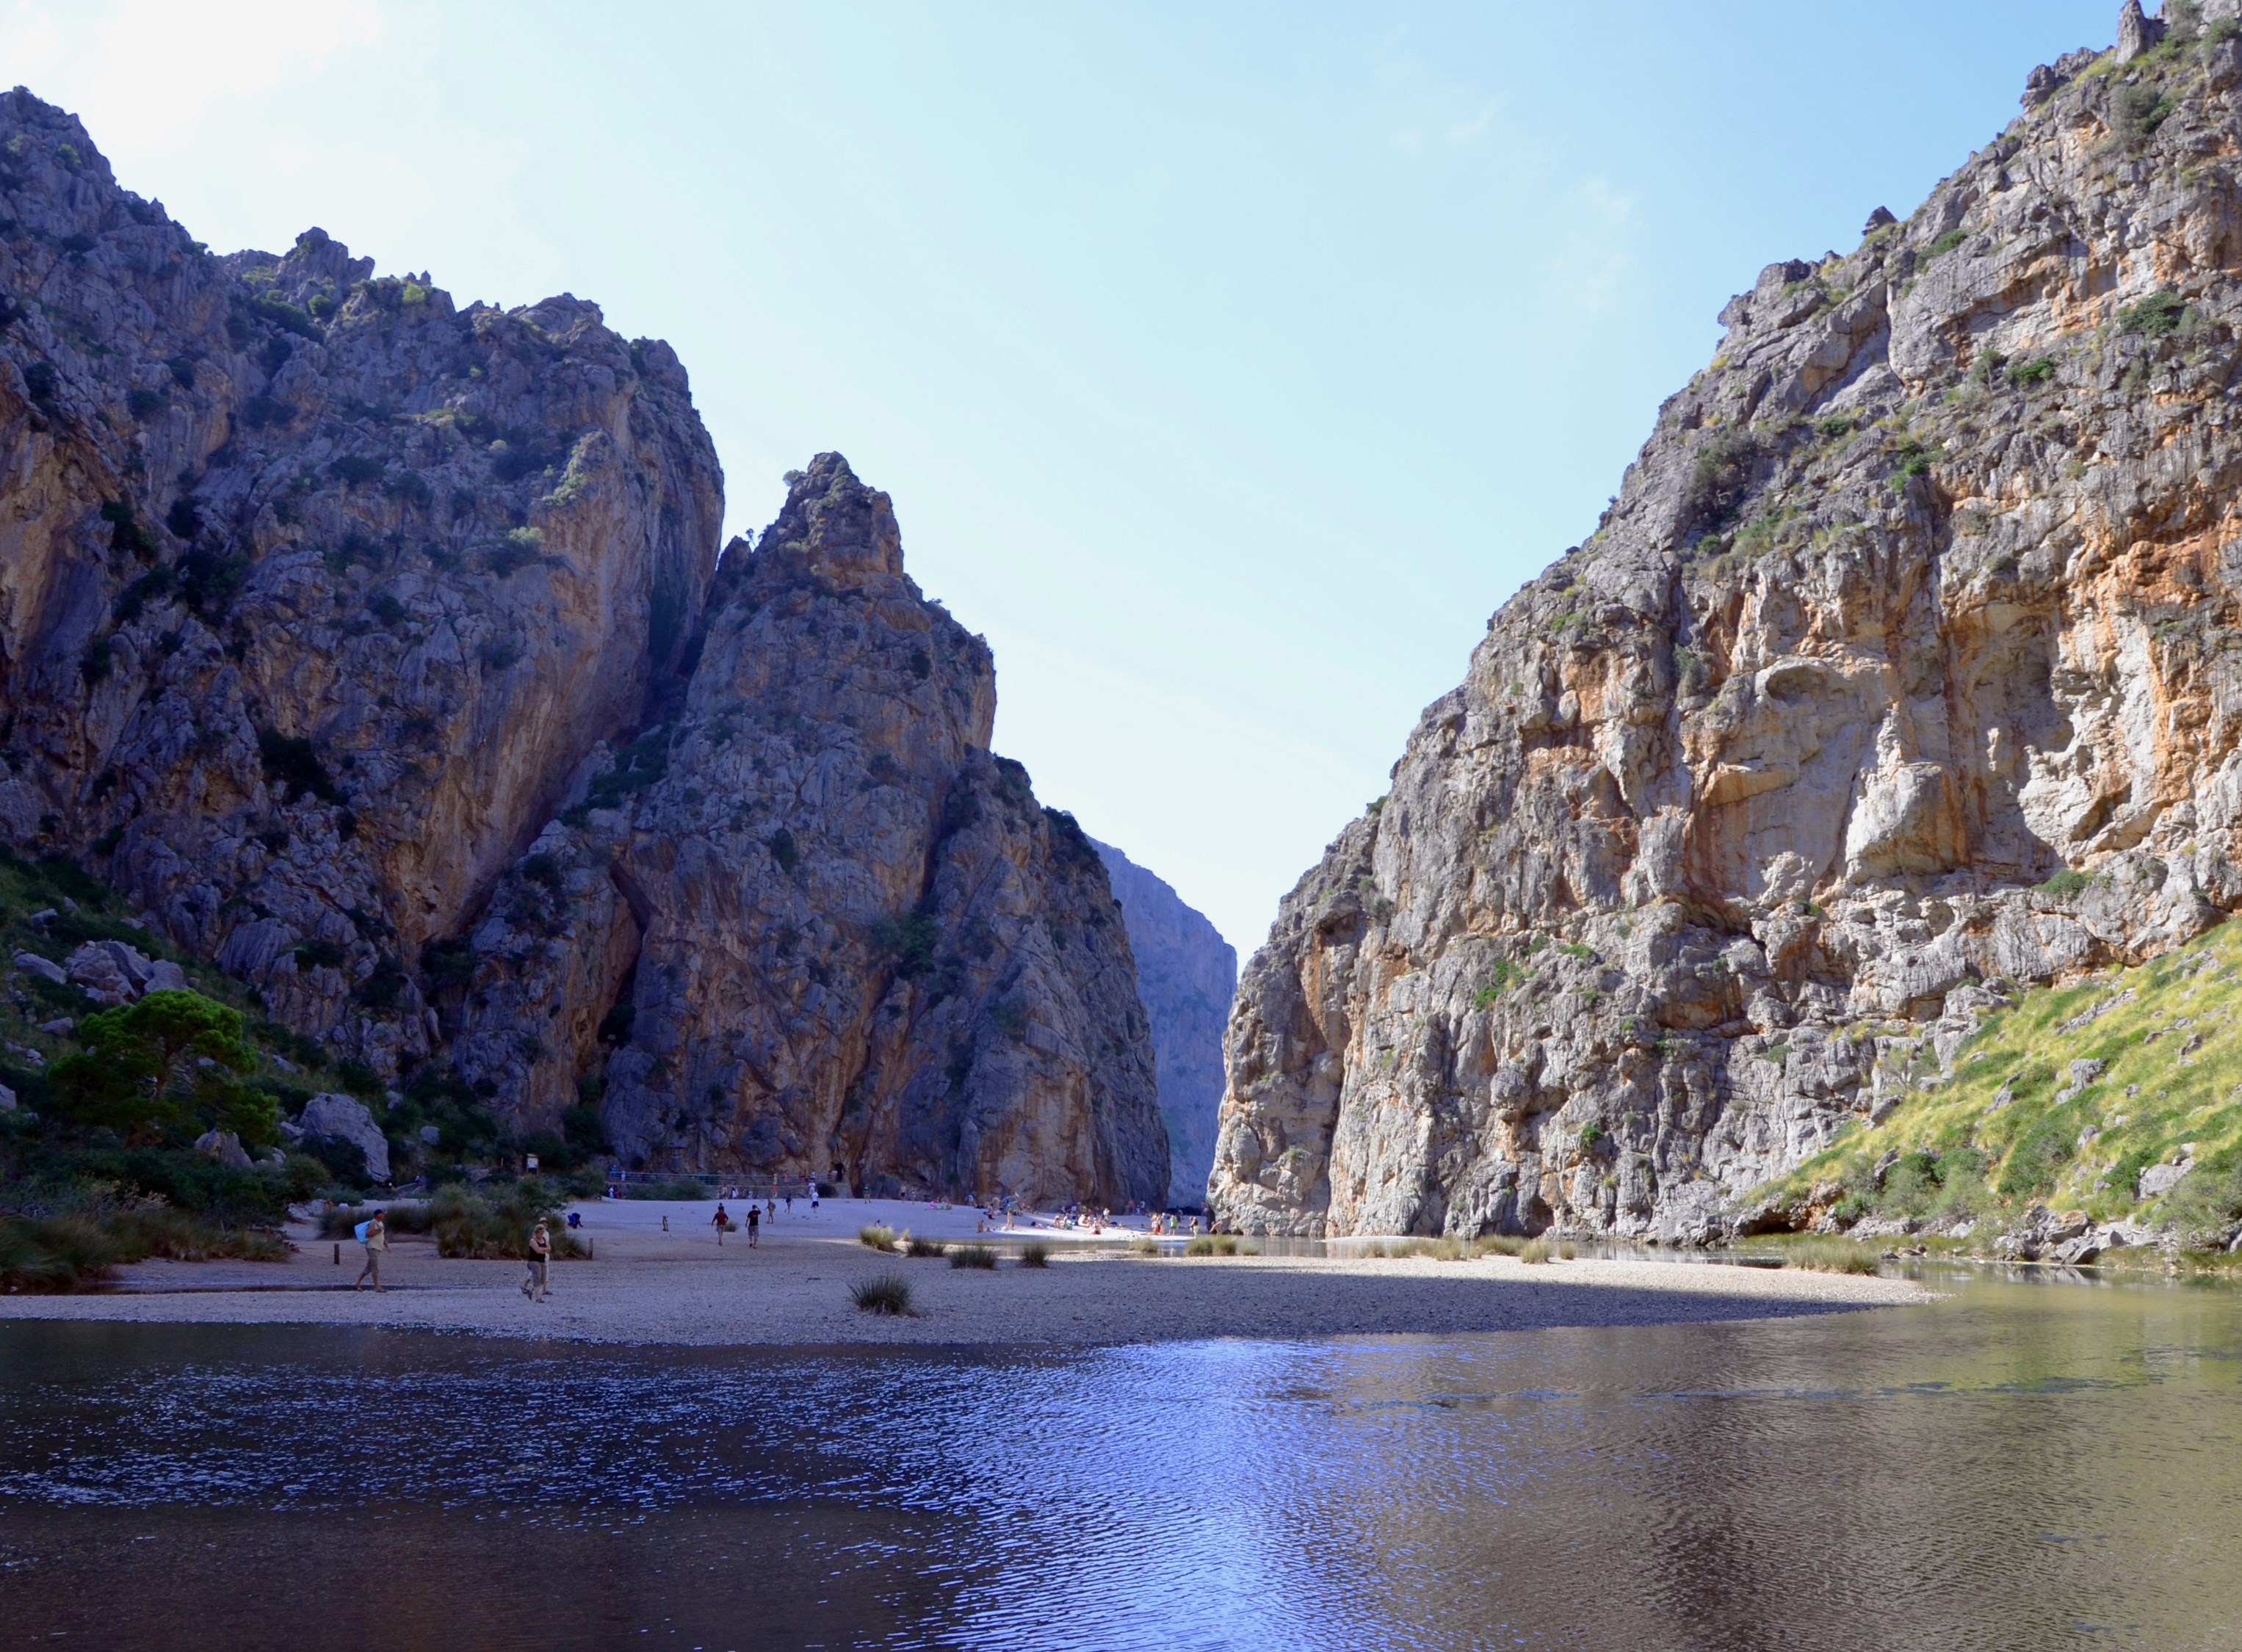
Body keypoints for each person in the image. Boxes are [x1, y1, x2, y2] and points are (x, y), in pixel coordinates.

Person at [352, 1209, 387, 1292]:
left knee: (369, 1267)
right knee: (374, 1267)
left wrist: (387, 1246)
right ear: (377, 1215)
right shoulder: (373, 1222)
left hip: (378, 1247)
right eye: (381, 1214)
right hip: (372, 1247)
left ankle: (357, 1283)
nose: (383, 1215)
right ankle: (377, 1287)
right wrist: (377, 1231)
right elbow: (368, 1234)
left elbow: (382, 1236)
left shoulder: (381, 1223)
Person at [522, 1219, 552, 1303]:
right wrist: (544, 1249)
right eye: (540, 1233)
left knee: (543, 1279)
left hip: (542, 1260)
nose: (542, 1234)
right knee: (537, 1278)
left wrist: (543, 1249)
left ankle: (532, 1291)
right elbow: (537, 1250)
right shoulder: (533, 1240)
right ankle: (538, 1298)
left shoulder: (545, 1239)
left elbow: (549, 1249)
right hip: (534, 1261)